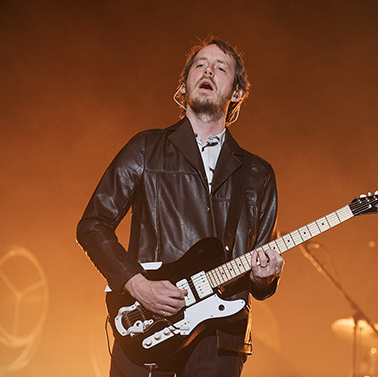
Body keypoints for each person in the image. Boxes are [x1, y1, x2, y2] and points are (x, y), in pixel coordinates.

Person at [76, 37, 284, 377]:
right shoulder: (145, 149)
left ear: (236, 93)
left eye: (221, 68)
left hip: (220, 336)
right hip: (147, 322)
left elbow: (262, 264)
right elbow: (92, 225)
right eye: (200, 65)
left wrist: (265, 278)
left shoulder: (257, 173)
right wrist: (136, 283)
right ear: (185, 84)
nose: (208, 71)